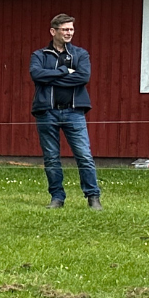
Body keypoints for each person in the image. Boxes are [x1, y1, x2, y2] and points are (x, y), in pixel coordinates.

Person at [29, 13, 99, 209]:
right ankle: (57, 198)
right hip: (46, 112)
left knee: (84, 154)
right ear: (53, 31)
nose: (69, 33)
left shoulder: (80, 54)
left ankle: (93, 197)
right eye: (65, 29)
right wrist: (63, 71)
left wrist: (49, 77)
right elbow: (36, 75)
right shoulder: (39, 55)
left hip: (73, 112)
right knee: (51, 156)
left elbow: (82, 77)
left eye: (71, 29)